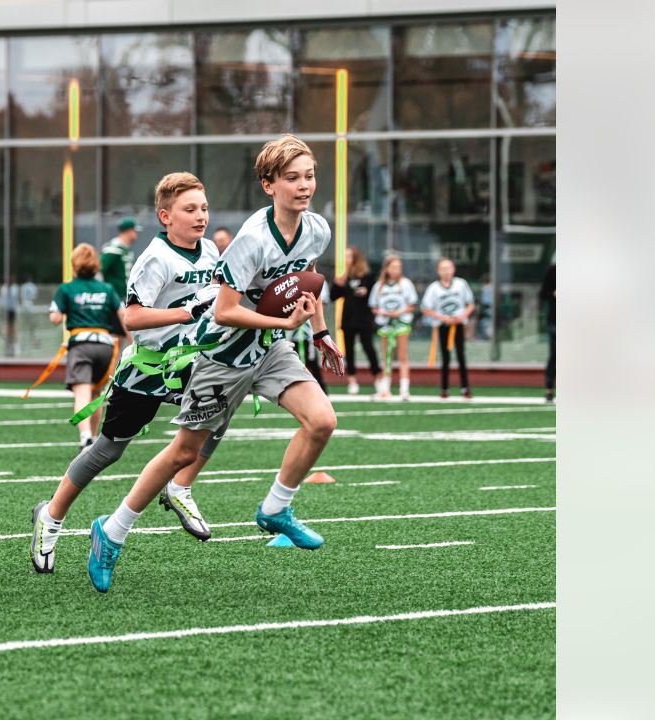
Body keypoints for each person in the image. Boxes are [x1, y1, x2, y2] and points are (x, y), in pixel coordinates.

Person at [86, 135, 345, 593]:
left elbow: (304, 286)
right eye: (292, 178)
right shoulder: (251, 239)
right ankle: (112, 532)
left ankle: (276, 509)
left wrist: (320, 332)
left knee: (323, 420)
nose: (304, 186)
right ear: (269, 185)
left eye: (309, 176)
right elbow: (224, 311)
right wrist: (283, 321)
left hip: (268, 347)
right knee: (183, 454)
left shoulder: (317, 228)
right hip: (222, 354)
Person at [29, 172, 223, 574]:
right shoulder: (154, 257)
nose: (200, 216)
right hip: (149, 368)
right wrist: (185, 312)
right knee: (108, 450)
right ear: (165, 216)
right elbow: (132, 317)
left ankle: (180, 485)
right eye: (190, 209)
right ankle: (50, 516)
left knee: (221, 408)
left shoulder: (209, 253)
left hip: (190, 364)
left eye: (203, 207)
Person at [49, 245, 131, 447]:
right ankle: (93, 441)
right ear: (96, 265)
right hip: (105, 347)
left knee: (82, 393)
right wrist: (133, 342)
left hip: (81, 345)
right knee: (96, 395)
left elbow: (55, 318)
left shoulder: (67, 288)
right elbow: (124, 318)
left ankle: (85, 436)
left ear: (74, 264)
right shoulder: (107, 289)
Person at [420, 258, 476, 399]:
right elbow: (426, 308)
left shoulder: (460, 284)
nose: (446, 271)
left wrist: (461, 316)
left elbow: (470, 304)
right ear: (438, 271)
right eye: (443, 268)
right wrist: (441, 317)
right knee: (445, 357)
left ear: (453, 269)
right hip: (443, 325)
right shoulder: (434, 288)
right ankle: (445, 388)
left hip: (458, 324)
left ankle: (465, 388)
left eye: (448, 268)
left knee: (461, 356)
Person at [330, 246, 381, 394]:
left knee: (368, 347)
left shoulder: (368, 276)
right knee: (349, 350)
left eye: (348, 256)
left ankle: (378, 377)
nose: (345, 259)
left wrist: (365, 291)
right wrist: (338, 282)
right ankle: (352, 380)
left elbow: (373, 294)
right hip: (348, 319)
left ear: (356, 258)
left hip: (364, 318)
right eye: (344, 256)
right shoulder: (344, 276)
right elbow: (334, 296)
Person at [369, 254, 417, 400]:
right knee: (387, 357)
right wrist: (384, 313)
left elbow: (412, 305)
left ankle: (404, 390)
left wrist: (399, 312)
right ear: (387, 268)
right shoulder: (379, 286)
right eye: (393, 267)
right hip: (385, 325)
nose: (396, 270)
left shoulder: (406, 284)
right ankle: (385, 389)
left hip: (401, 323)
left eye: (399, 267)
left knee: (402, 356)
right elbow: (373, 307)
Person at [98, 217, 140, 299]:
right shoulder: (113, 249)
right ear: (129, 231)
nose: (137, 234)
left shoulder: (126, 249)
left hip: (123, 296)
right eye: (135, 231)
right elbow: (99, 270)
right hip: (113, 298)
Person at [540, 262, 556, 402]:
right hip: (555, 320)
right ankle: (549, 388)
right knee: (555, 355)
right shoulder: (553, 270)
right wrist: (553, 294)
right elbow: (543, 293)